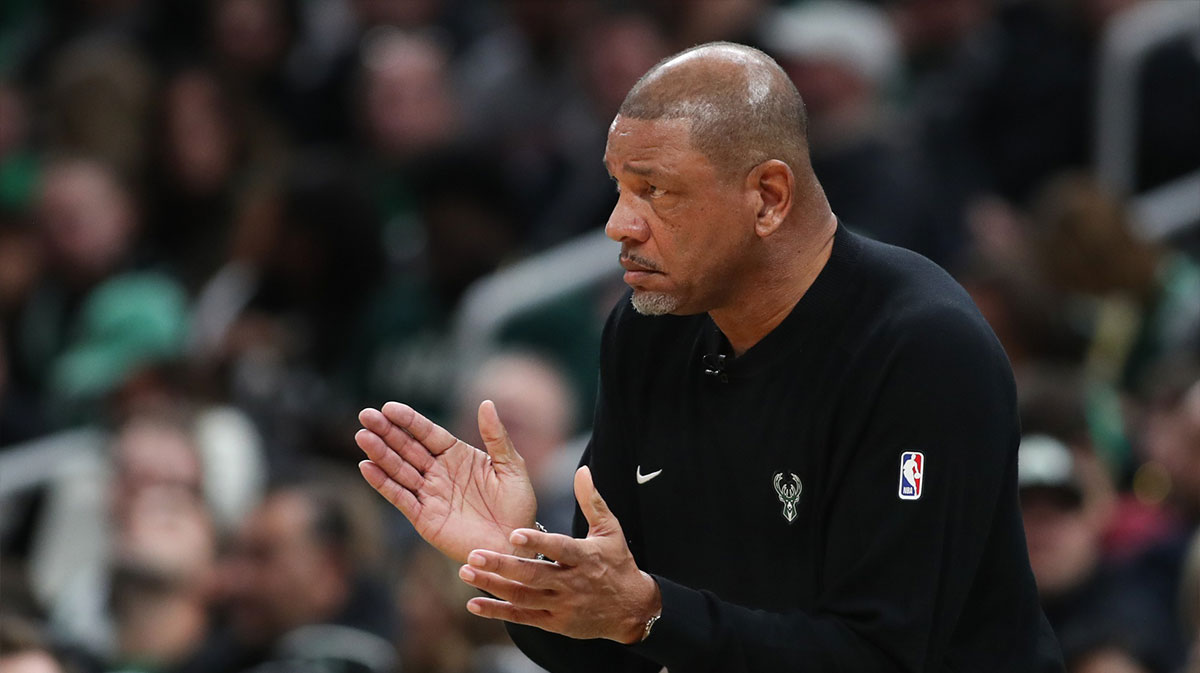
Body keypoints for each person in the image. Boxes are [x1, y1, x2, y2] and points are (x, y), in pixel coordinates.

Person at [355, 42, 1064, 672]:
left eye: (655, 191)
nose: (617, 226)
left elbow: (883, 653)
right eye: (619, 188)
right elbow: (607, 642)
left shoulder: (921, 352)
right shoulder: (647, 331)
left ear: (768, 197)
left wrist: (650, 612)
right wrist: (524, 559)